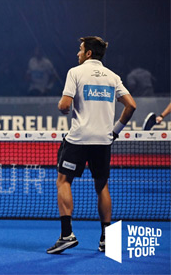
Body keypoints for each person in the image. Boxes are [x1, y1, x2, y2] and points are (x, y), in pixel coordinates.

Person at [47, 36, 136, 254]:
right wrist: (115, 132)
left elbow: (65, 105)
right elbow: (131, 105)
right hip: (103, 140)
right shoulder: (113, 77)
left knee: (63, 181)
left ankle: (67, 234)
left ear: (88, 53)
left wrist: (62, 105)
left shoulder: (75, 73)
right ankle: (108, 240)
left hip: (78, 139)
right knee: (102, 186)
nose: (77, 53)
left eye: (80, 49)